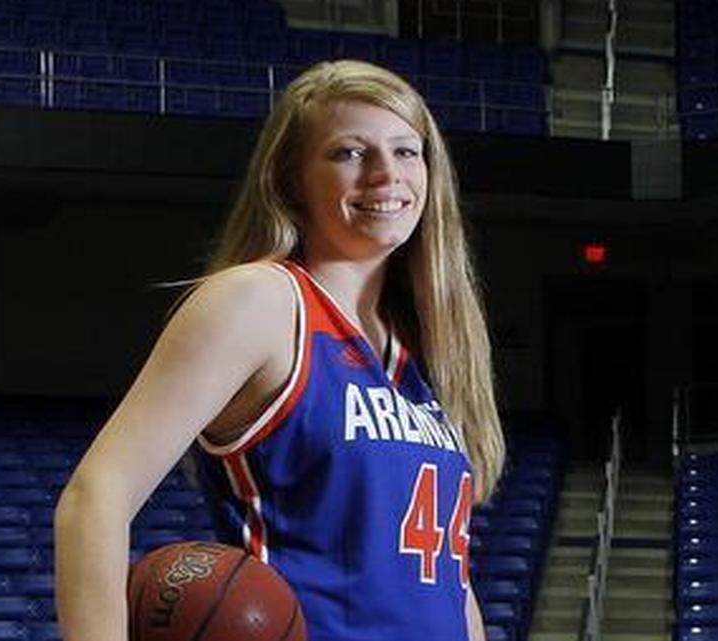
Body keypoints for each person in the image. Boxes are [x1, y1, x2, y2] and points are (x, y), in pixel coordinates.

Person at [54, 60, 505, 641]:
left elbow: (450, 584)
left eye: (406, 151)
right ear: (290, 179)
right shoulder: (260, 303)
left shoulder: (424, 352)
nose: (384, 174)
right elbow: (94, 498)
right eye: (349, 153)